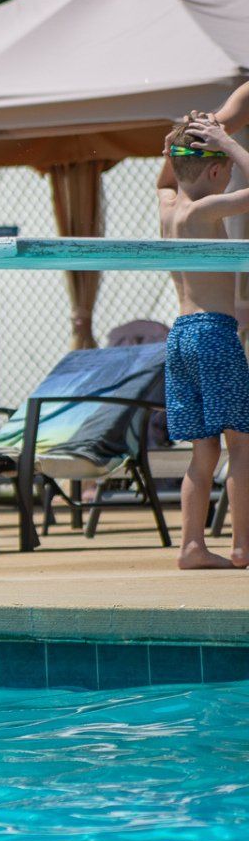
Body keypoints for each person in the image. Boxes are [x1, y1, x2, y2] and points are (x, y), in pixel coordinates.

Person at [156, 113, 249, 569]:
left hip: (179, 337)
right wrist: (227, 143)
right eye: (226, 170)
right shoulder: (203, 211)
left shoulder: (169, 207)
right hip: (214, 335)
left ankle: (191, 546)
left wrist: (171, 151)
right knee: (241, 445)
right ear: (214, 170)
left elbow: (164, 180)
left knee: (203, 451)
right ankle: (243, 546)